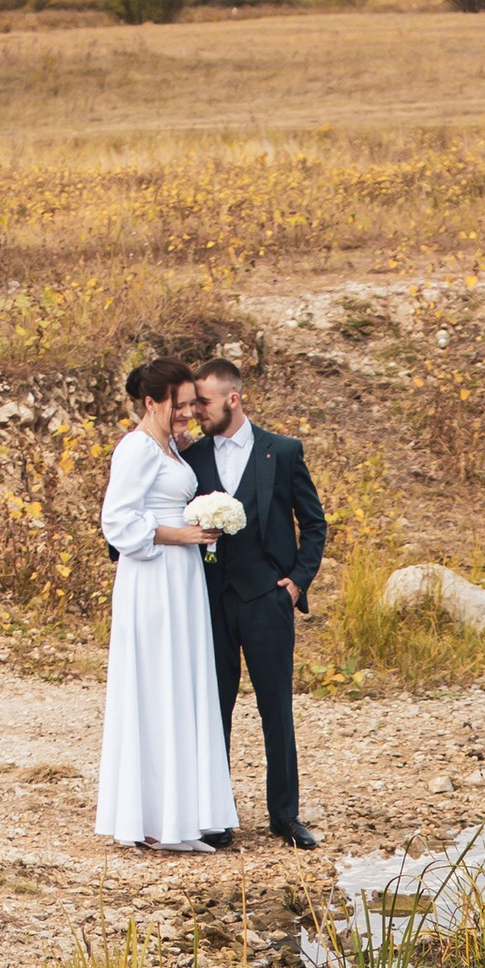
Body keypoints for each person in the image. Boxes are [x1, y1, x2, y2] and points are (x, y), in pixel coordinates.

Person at [94, 356, 234, 854]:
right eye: (178, 406)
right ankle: (151, 819)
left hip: (182, 577)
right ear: (150, 402)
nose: (186, 413)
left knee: (180, 684)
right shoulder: (136, 450)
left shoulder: (170, 448)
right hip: (153, 576)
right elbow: (119, 523)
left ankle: (180, 814)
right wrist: (184, 533)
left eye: (191, 404)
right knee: (155, 685)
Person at [185, 358, 326, 849]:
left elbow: (314, 524)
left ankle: (284, 816)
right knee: (214, 707)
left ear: (232, 398)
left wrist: (295, 584)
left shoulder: (282, 452)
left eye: (203, 401)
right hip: (213, 601)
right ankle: (216, 817)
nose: (195, 410)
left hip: (268, 598)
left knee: (276, 708)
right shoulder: (192, 456)